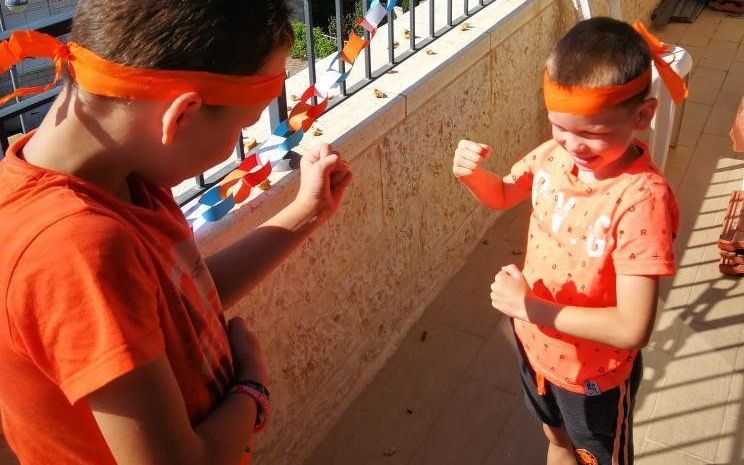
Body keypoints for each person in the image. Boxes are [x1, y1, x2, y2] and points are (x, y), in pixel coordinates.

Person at [0, 1, 351, 464]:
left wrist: (307, 212)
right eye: (243, 127)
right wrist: (252, 387)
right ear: (181, 115)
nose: (239, 142)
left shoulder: (122, 176)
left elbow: (181, 298)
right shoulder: (75, 250)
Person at [452, 18, 685, 465]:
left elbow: (632, 328)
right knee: (557, 442)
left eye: (591, 133)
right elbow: (503, 193)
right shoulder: (554, 156)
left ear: (643, 116)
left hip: (594, 376)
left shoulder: (640, 201)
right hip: (538, 350)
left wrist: (527, 307)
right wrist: (472, 176)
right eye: (559, 126)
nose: (571, 145)